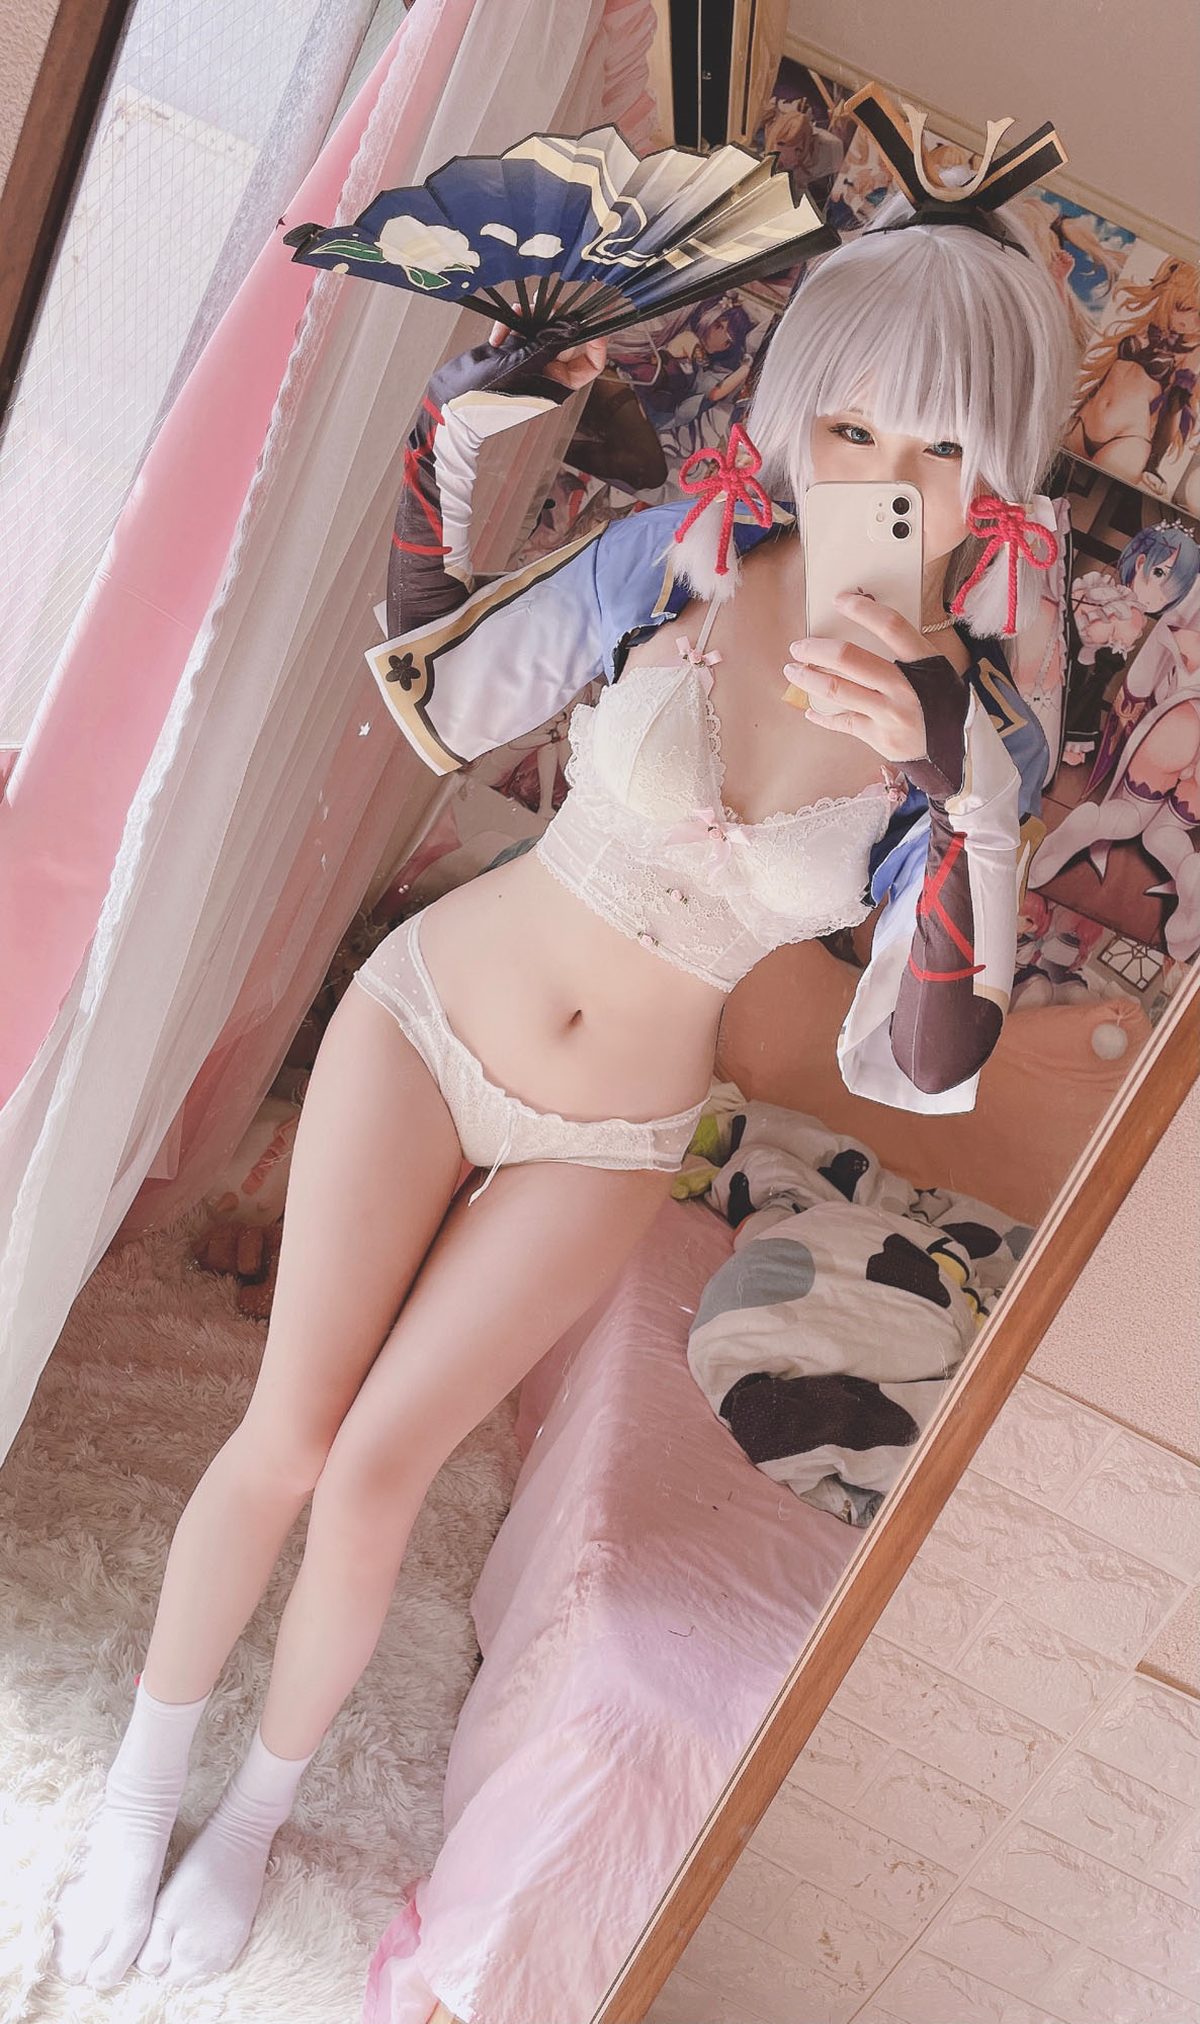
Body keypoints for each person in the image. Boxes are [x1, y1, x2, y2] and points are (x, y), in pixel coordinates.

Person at [51, 112, 1076, 1991]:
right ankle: (133, 1798)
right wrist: (471, 427)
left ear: (1001, 471)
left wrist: (962, 792)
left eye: (941, 450)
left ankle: (257, 1822)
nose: (886, 480)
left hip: (611, 1134)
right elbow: (441, 675)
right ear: (798, 411)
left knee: (379, 1476)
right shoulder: (681, 557)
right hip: (433, 1015)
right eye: (852, 425)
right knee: (288, 1437)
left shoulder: (985, 738)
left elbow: (936, 1051)